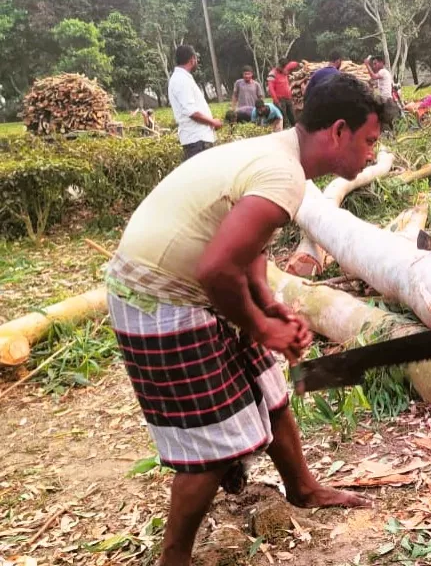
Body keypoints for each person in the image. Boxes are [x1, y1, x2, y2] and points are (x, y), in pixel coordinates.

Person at [105, 73, 391, 566]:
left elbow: (243, 248)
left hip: (193, 287)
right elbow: (216, 268)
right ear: (338, 131)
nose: (370, 155)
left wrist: (263, 299)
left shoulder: (282, 156)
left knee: (269, 387)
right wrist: (260, 326)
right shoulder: (282, 173)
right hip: (158, 296)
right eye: (369, 142)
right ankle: (172, 559)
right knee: (212, 442)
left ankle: (302, 487)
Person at [168, 45, 221, 160]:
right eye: (196, 58)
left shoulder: (182, 78)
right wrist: (213, 122)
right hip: (197, 141)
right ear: (192, 59)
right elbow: (192, 112)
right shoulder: (181, 80)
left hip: (198, 139)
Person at [267, 59, 300, 127]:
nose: (282, 69)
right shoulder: (272, 74)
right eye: (281, 67)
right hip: (280, 99)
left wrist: (299, 63)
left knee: (292, 116)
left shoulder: (285, 70)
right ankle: (283, 131)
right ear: (278, 65)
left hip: (288, 98)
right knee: (282, 117)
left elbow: (293, 63)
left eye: (284, 67)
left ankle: (294, 129)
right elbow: (271, 89)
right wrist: (276, 101)